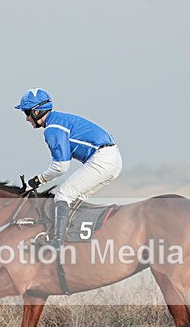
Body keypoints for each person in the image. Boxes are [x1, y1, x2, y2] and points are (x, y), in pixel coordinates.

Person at [15, 88, 122, 249]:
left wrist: (36, 181)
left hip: (102, 159)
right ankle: (72, 240)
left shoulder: (52, 129)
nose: (26, 119)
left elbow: (61, 167)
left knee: (63, 195)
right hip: (112, 158)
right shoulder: (58, 120)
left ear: (36, 112)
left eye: (27, 113)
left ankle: (56, 243)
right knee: (74, 202)